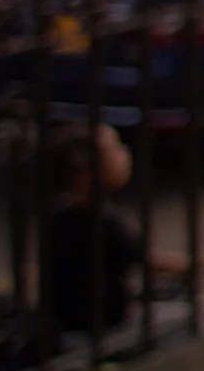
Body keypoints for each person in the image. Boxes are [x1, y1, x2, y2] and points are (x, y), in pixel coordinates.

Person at [45, 122, 188, 341]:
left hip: (64, 324)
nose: (125, 154)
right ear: (85, 173)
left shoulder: (59, 215)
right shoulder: (105, 221)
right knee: (197, 317)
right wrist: (202, 262)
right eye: (115, 149)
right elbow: (151, 263)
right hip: (105, 329)